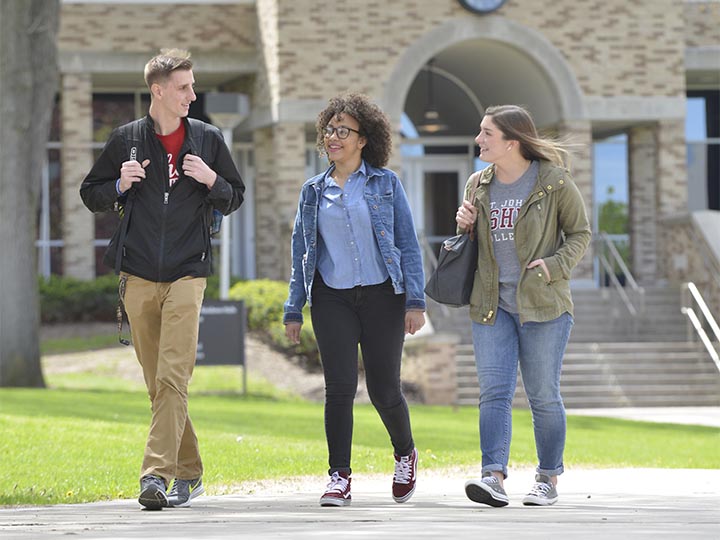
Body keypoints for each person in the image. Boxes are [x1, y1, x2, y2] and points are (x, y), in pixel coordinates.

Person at [80, 48, 245, 510]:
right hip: (137, 275)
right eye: (184, 87)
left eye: (192, 86)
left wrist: (213, 179)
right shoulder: (126, 140)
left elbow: (234, 198)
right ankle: (190, 472)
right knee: (159, 384)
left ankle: (155, 475)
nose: (193, 95)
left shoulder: (209, 139)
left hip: (188, 273)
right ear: (158, 91)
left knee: (174, 375)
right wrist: (119, 183)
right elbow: (90, 193)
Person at [283, 93, 426, 507]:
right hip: (332, 299)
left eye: (343, 130)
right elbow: (301, 253)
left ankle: (405, 453)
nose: (333, 137)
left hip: (383, 297)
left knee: (384, 390)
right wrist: (294, 308)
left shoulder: (386, 183)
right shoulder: (313, 191)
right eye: (329, 129)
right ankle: (339, 476)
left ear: (364, 139)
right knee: (340, 388)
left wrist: (415, 301)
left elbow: (407, 244)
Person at [456, 105, 591, 507]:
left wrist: (554, 266)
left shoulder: (553, 180)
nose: (478, 140)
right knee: (493, 391)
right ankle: (492, 476)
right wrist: (464, 224)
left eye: (486, 133)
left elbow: (580, 234)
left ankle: (547, 477)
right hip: (491, 304)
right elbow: (475, 245)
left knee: (542, 394)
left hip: (543, 305)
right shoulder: (477, 184)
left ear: (511, 141)